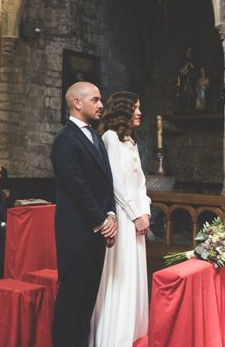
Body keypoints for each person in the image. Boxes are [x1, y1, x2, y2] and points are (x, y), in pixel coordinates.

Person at [50, 82, 116, 347]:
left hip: (97, 231)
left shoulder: (96, 137)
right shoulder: (65, 140)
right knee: (71, 301)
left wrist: (111, 214)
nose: (101, 105)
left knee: (87, 301)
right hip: (77, 233)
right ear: (77, 103)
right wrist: (101, 221)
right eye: (96, 100)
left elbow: (106, 182)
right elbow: (77, 187)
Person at [90, 92, 151, 346]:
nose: (139, 113)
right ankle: (114, 335)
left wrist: (145, 210)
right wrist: (135, 215)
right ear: (123, 111)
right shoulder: (110, 138)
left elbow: (140, 183)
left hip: (137, 217)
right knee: (120, 272)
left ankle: (134, 330)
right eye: (135, 108)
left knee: (134, 273)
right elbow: (116, 183)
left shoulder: (130, 140)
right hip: (122, 218)